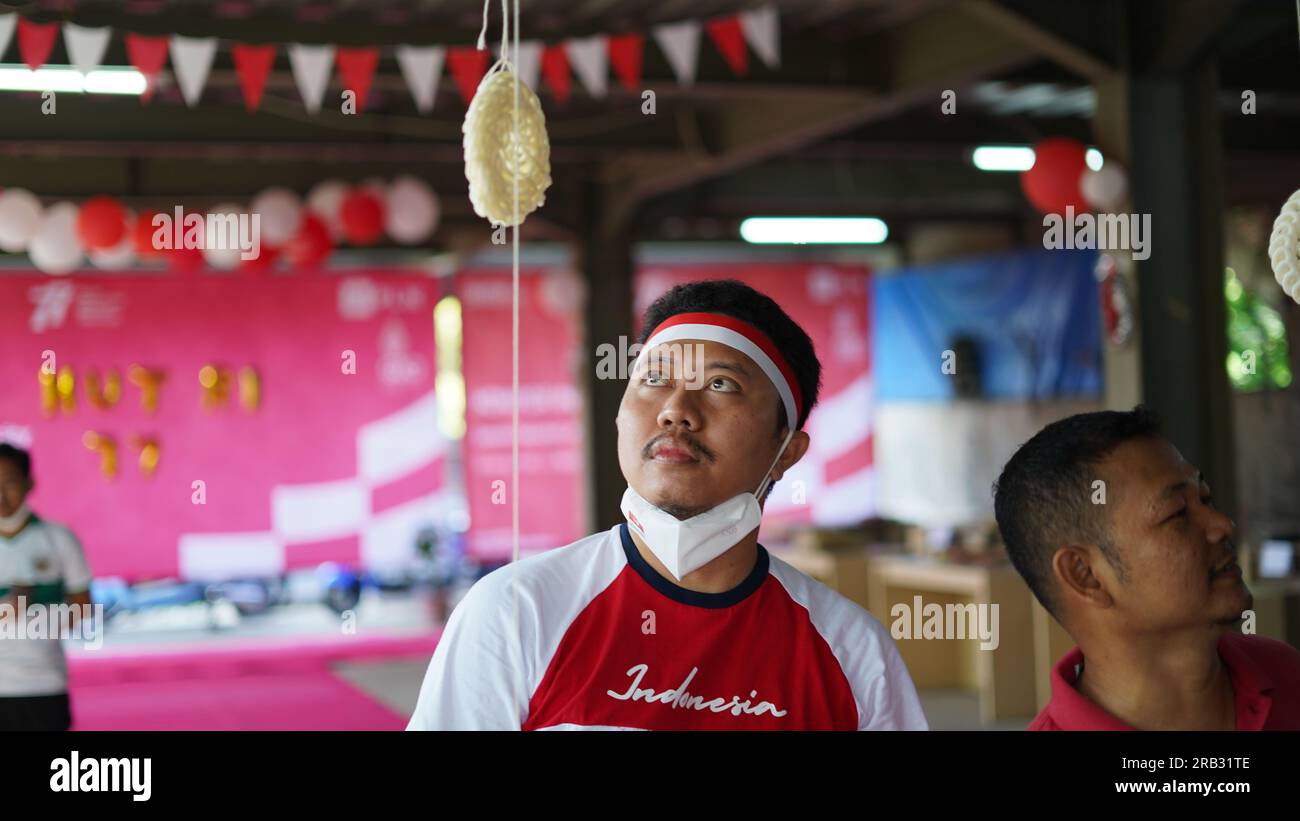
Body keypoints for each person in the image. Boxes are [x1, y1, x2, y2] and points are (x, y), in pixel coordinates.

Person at [409, 279, 926, 730]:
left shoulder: (855, 654)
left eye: (721, 385)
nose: (676, 410)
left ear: (785, 450)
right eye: (653, 380)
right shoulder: (516, 612)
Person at [992, 407, 1300, 730]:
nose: (1223, 525)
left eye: (1205, 500)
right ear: (1085, 575)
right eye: (1178, 513)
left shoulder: (1286, 676)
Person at [0, 443, 94, 731]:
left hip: (44, 683)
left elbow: (84, 607)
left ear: (30, 484)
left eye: (10, 483)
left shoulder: (59, 539)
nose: (1, 495)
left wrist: (36, 613)